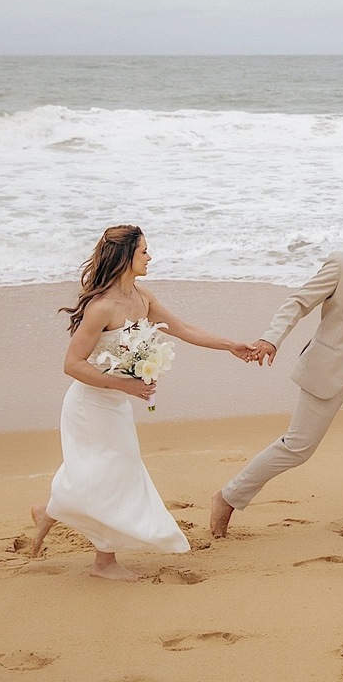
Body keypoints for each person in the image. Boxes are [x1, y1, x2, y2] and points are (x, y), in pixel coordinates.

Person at [31, 225, 256, 581]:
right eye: (144, 251)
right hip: (89, 405)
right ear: (126, 257)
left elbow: (184, 329)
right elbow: (72, 364)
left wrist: (231, 346)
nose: (150, 257)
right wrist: (125, 384)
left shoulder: (142, 297)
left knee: (105, 472)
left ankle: (48, 512)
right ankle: (103, 562)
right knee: (114, 473)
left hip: (116, 402)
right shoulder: (101, 307)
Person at [210, 201, 343, 538]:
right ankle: (227, 497)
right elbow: (299, 301)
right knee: (297, 447)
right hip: (328, 370)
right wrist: (271, 338)